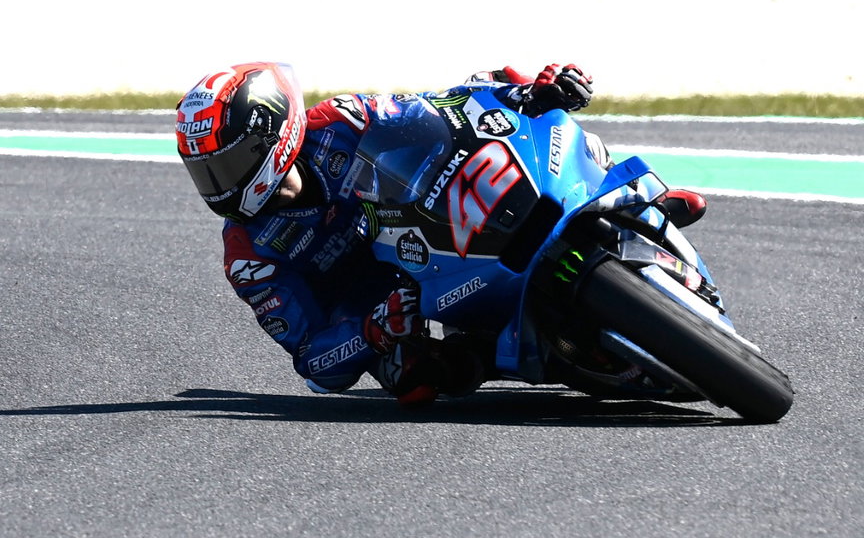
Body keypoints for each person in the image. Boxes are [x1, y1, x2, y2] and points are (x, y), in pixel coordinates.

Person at [175, 62, 708, 406]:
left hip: (434, 225)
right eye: (207, 173)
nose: (219, 187)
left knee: (547, 134)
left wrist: (523, 91)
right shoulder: (249, 255)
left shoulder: (342, 119)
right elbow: (313, 360)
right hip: (394, 303)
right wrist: (372, 330)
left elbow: (440, 109)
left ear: (273, 132)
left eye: (227, 165)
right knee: (423, 379)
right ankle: (538, 352)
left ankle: (636, 201)